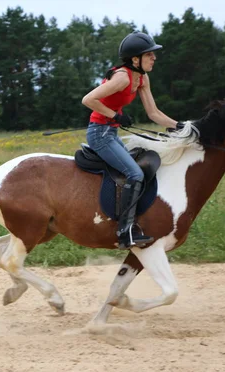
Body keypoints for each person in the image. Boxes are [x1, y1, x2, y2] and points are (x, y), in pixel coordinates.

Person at [81, 31, 184, 250]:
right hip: (99, 133)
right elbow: (88, 99)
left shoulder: (142, 78)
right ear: (135, 59)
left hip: (111, 133)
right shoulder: (122, 77)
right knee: (135, 173)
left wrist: (179, 126)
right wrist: (115, 115)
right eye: (150, 55)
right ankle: (124, 232)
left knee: (135, 170)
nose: (154, 58)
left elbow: (154, 114)